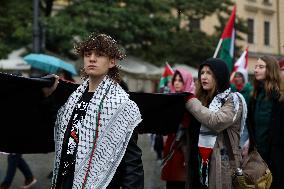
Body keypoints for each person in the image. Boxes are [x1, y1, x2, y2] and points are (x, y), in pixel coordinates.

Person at [43, 33, 143, 189]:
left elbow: (132, 162)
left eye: (99, 55)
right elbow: (62, 133)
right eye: (88, 54)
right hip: (67, 180)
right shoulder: (73, 99)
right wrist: (49, 97)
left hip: (104, 183)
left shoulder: (121, 105)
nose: (92, 59)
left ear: (111, 62)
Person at [185, 58, 247, 189]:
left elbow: (216, 121)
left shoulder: (233, 100)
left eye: (209, 73)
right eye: (202, 73)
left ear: (219, 76)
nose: (204, 77)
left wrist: (191, 102)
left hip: (221, 163)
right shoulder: (200, 99)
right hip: (199, 163)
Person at [243, 56, 284, 189]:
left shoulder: (280, 97)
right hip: (258, 156)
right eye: (255, 66)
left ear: (271, 70)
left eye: (261, 67)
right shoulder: (255, 95)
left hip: (276, 156)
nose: (256, 70)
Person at [161, 68, 195, 189]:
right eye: (175, 80)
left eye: (180, 80)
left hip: (184, 147)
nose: (176, 82)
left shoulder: (191, 101)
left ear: (186, 81)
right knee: (171, 182)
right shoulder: (170, 98)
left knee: (181, 181)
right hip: (171, 145)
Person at [230, 68, 253, 147]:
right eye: (235, 76)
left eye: (239, 76)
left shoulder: (250, 90)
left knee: (241, 145)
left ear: (244, 78)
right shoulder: (232, 88)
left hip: (245, 121)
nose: (237, 78)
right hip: (233, 121)